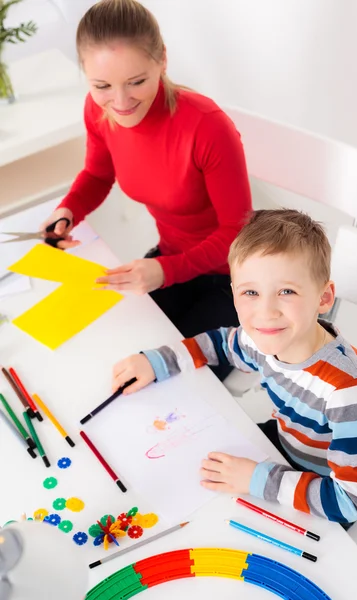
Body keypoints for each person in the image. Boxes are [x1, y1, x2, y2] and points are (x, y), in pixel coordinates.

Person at [110, 209, 357, 525]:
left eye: (287, 292)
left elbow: (352, 502)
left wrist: (258, 480)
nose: (265, 312)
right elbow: (221, 343)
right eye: (250, 292)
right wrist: (157, 362)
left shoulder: (346, 394)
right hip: (284, 445)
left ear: (323, 298)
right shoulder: (261, 339)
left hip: (322, 484)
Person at [41, 0, 251, 380]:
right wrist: (68, 210)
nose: (120, 102)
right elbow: (97, 174)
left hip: (234, 281)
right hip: (170, 263)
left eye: (136, 81)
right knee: (114, 357)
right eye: (102, 85)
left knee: (177, 380)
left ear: (163, 61)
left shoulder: (207, 127)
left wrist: (165, 270)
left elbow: (239, 235)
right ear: (86, 75)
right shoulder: (98, 110)